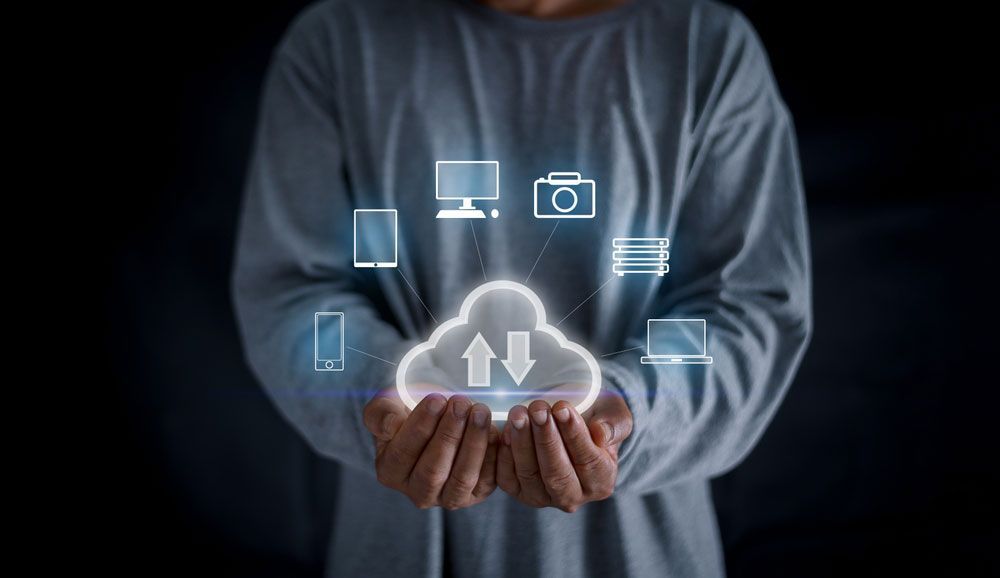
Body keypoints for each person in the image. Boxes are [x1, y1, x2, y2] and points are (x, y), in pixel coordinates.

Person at [232, 0, 811, 575]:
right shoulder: (339, 38)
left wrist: (629, 414)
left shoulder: (703, 45)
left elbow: (747, 305)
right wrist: (389, 402)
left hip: (642, 555)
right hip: (401, 551)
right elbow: (291, 291)